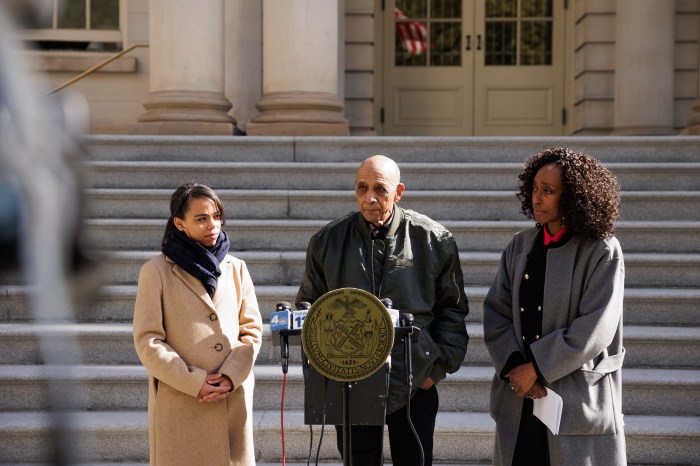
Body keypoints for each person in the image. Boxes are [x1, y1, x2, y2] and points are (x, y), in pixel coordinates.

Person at [296, 155, 470, 466]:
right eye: (362, 188)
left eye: (380, 189)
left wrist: (436, 369)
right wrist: (327, 366)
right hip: (350, 381)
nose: (370, 198)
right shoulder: (327, 240)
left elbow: (453, 310)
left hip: (415, 377)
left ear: (399, 192)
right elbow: (309, 305)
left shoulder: (433, 239)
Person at [483, 148, 627, 466]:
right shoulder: (519, 246)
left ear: (574, 198)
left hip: (574, 398)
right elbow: (496, 313)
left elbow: (595, 327)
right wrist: (514, 369)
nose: (537, 198)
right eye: (534, 189)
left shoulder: (602, 250)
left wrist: (536, 367)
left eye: (547, 192)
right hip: (520, 397)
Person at [133, 182, 263, 466]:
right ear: (179, 223)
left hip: (231, 398)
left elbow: (251, 331)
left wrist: (230, 376)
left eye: (216, 216)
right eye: (201, 218)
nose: (212, 225)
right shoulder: (155, 271)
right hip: (181, 400)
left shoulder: (236, 267)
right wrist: (194, 381)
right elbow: (148, 340)